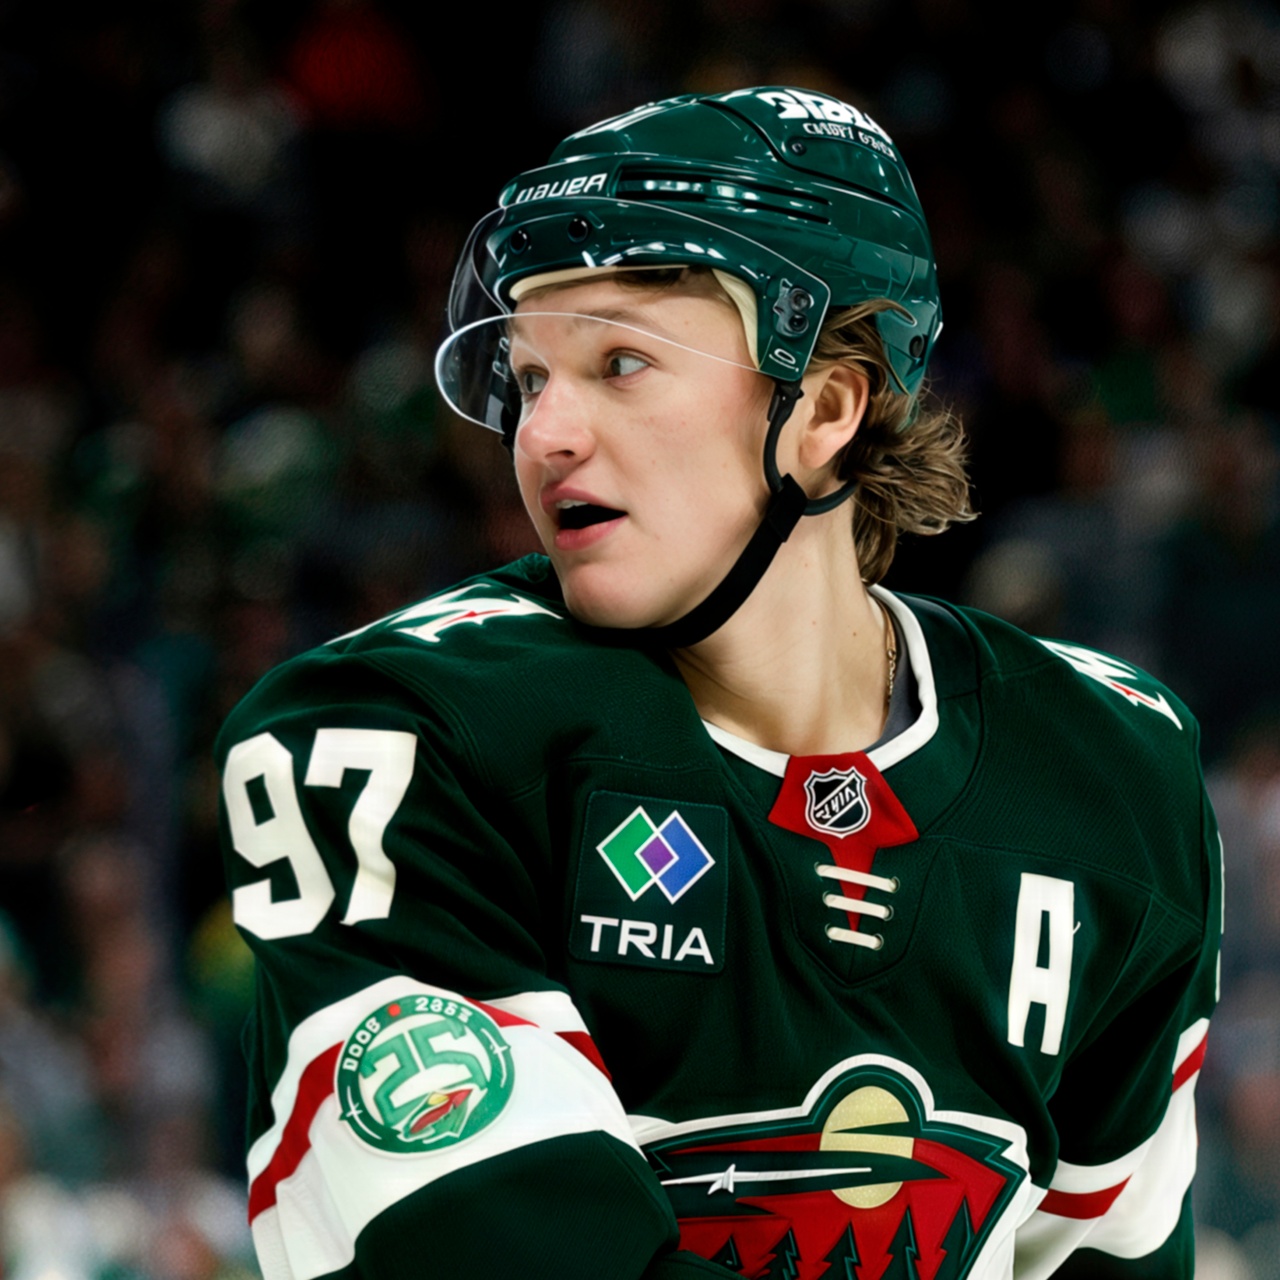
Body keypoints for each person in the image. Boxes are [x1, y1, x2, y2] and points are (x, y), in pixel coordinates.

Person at [218, 86, 1221, 1279]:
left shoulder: (1108, 770)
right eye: (529, 377)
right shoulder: (399, 731)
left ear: (827, 407)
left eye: (620, 361)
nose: (542, 434)